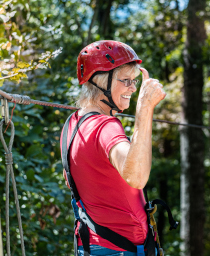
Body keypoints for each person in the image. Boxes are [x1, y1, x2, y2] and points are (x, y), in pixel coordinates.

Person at [60, 40, 166, 256]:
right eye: (126, 80)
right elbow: (136, 177)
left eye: (134, 81)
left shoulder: (72, 123)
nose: (133, 88)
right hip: (120, 249)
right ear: (100, 82)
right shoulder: (105, 127)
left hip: (92, 244)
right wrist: (145, 108)